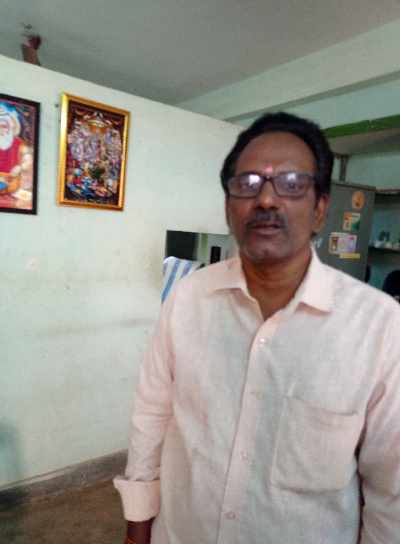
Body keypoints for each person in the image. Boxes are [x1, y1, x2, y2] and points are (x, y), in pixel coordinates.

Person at [114, 112, 400, 544]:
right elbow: (151, 414)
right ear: (229, 208)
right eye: (247, 183)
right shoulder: (188, 299)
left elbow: (390, 487)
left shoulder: (379, 326)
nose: (266, 199)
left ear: (320, 209)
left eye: (292, 183)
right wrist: (137, 528)